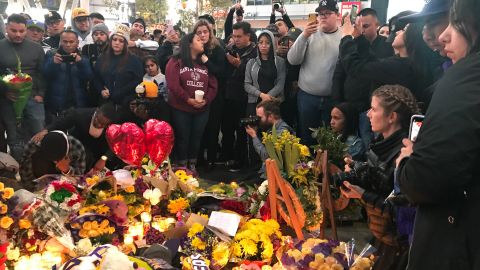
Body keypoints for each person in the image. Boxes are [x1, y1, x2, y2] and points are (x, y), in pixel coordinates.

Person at [396, 0, 480, 268]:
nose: (440, 36)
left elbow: (426, 178)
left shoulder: (465, 79)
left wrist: (407, 162)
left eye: (455, 22)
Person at [341, 85, 420, 270]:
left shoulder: (404, 156)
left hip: (399, 248)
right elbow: (380, 181)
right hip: (382, 238)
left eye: (374, 109)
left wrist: (362, 194)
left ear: (392, 117)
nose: (368, 114)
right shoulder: (381, 144)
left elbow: (403, 211)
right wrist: (356, 171)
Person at [333, 8, 394, 149]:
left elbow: (371, 66)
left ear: (377, 24)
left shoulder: (387, 46)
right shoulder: (351, 46)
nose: (362, 30)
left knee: (369, 146)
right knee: (346, 148)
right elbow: (338, 74)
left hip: (371, 110)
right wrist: (337, 103)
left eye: (365, 26)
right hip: (348, 107)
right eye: (358, 27)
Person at [287, 0, 342, 146]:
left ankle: (325, 168)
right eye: (320, 14)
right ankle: (306, 168)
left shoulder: (344, 37)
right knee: (306, 138)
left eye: (328, 13)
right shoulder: (308, 34)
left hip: (332, 98)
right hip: (307, 97)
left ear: (337, 15)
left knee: (329, 141)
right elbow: (293, 60)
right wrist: (304, 35)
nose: (323, 17)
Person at [165, 33, 218, 173]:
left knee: (197, 138)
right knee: (182, 137)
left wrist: (206, 100)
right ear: (189, 44)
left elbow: (213, 85)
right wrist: (188, 99)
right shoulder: (176, 61)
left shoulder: (204, 63)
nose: (202, 42)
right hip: (180, 108)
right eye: (198, 40)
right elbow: (173, 85)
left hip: (202, 109)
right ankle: (181, 166)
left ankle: (192, 165)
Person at [0, 14, 46, 161]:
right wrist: (4, 91)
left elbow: (42, 73)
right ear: (6, 28)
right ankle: (18, 168)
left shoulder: (36, 48)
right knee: (13, 135)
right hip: (8, 98)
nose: (18, 34)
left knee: (39, 131)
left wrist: (41, 94)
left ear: (26, 29)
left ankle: (40, 165)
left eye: (21, 31)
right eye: (13, 31)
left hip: (33, 97)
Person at [32, 103, 118, 173]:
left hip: (98, 153)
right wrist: (46, 130)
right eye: (98, 120)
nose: (99, 125)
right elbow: (62, 123)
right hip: (77, 148)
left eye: (103, 124)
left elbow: (114, 143)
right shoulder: (81, 114)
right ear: (97, 111)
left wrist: (104, 159)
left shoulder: (114, 126)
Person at [221, 21, 257, 171]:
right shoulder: (229, 49)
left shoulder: (255, 51)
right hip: (227, 95)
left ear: (248, 36)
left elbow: (254, 75)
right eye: (234, 36)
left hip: (245, 98)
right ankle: (226, 156)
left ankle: (240, 160)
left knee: (242, 130)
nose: (236, 39)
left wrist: (239, 65)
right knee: (227, 129)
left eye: (239, 36)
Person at [193, 19, 227, 169]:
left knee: (213, 128)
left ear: (210, 32)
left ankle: (212, 159)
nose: (202, 35)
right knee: (199, 128)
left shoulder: (218, 49)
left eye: (205, 31)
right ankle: (198, 159)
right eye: (199, 32)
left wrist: (206, 61)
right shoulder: (193, 49)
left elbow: (220, 72)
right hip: (197, 93)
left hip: (215, 95)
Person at [43, 30, 93, 124]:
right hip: (56, 103)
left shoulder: (83, 57)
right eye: (65, 42)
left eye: (71, 42)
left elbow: (89, 77)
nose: (68, 45)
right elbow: (45, 75)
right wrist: (54, 64)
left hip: (77, 102)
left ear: (77, 42)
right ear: (61, 42)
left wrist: (80, 62)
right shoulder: (51, 55)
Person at [93, 23, 143, 106]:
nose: (117, 43)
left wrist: (118, 93)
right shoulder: (102, 58)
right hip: (105, 103)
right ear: (110, 40)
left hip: (125, 103)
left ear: (126, 43)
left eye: (121, 41)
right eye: (115, 39)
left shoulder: (134, 60)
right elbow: (96, 77)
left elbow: (137, 81)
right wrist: (101, 90)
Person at [20, 130, 86, 190]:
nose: (55, 163)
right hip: (40, 182)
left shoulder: (76, 147)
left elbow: (80, 177)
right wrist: (34, 191)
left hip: (65, 185)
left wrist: (67, 169)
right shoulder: (34, 144)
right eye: (53, 160)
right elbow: (25, 173)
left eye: (58, 160)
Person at [245, 100, 293, 179]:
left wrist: (254, 136)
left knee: (241, 188)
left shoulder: (282, 132)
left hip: (275, 176)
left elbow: (266, 156)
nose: (258, 120)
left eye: (260, 117)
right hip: (265, 171)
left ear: (270, 116)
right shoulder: (270, 127)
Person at [245, 30, 286, 115]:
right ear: (257, 44)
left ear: (272, 45)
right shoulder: (251, 62)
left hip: (273, 102)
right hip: (254, 102)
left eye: (267, 43)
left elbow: (280, 84)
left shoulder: (280, 62)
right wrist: (262, 95)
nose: (263, 45)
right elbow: (247, 85)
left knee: (271, 128)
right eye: (260, 42)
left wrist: (268, 97)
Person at [279, 27, 302, 131]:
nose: (290, 43)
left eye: (294, 41)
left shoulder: (303, 54)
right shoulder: (281, 55)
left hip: (300, 95)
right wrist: (278, 54)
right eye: (289, 40)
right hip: (285, 95)